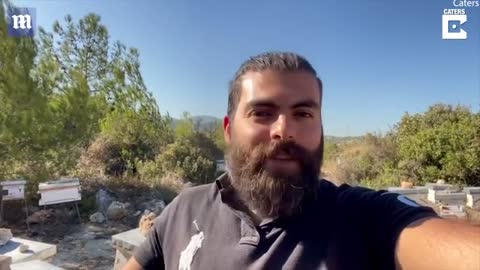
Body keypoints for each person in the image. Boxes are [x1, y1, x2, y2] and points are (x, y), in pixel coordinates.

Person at [123, 52, 480, 270]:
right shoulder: (187, 209)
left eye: (303, 114)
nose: (284, 130)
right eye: (262, 112)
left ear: (321, 129)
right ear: (229, 131)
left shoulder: (361, 219)